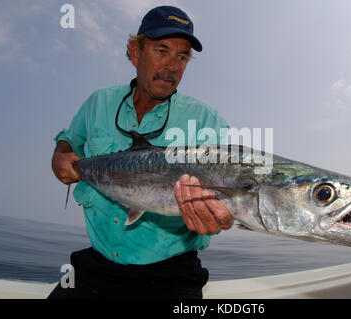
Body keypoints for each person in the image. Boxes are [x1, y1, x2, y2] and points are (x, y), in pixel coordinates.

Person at [49, 6, 233, 299]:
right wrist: (61, 155)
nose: (172, 66)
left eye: (182, 57)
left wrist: (221, 218)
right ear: (135, 53)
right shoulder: (99, 103)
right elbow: (69, 140)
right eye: (162, 51)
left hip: (171, 274)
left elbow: (228, 195)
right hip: (97, 266)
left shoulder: (207, 120)